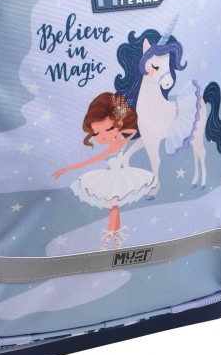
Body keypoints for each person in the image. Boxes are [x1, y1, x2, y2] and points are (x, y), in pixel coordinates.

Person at [53, 92, 153, 249]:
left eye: (108, 129)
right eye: (96, 133)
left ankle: (108, 241)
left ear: (119, 124)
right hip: (111, 181)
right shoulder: (111, 149)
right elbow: (89, 161)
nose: (102, 136)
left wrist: (120, 130)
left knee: (114, 210)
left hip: (119, 180)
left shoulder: (119, 143)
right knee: (114, 209)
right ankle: (115, 240)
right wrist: (67, 168)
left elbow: (133, 132)